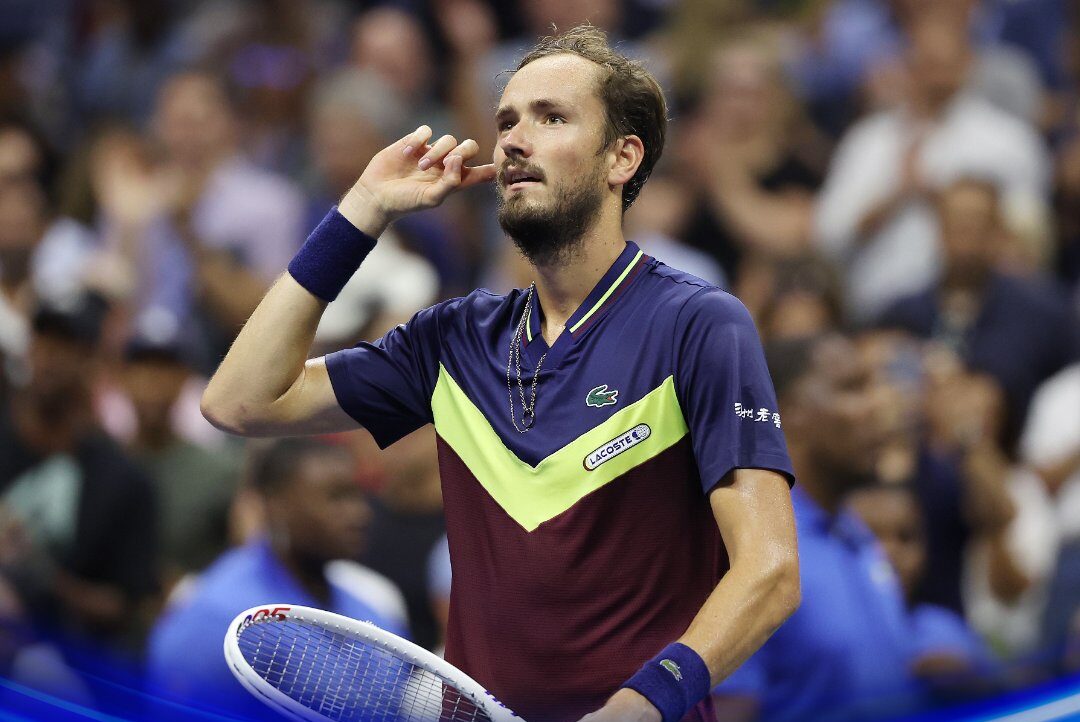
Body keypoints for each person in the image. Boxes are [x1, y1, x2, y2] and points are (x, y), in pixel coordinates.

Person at [202, 24, 800, 722]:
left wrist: (640, 706)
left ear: (622, 158)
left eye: (551, 118)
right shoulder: (453, 338)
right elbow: (240, 400)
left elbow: (770, 570)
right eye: (506, 122)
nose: (514, 140)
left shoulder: (698, 325)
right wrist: (363, 209)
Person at [712, 334, 922, 722]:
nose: (880, 405)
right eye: (853, 388)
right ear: (789, 410)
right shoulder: (748, 544)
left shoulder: (855, 531)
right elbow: (727, 709)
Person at [147, 437, 407, 719]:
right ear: (275, 505)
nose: (360, 513)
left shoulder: (372, 612)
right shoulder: (221, 616)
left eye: (357, 495)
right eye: (336, 496)